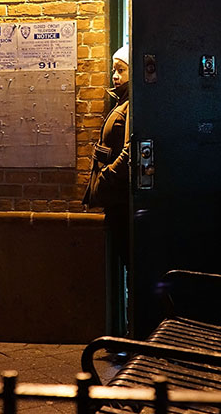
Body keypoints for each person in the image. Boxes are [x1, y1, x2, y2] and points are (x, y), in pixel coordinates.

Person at [83, 44, 131, 334]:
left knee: (127, 260)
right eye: (115, 69)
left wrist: (108, 177)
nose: (115, 75)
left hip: (120, 197)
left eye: (121, 70)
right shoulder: (120, 102)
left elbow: (129, 150)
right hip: (115, 197)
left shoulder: (131, 104)